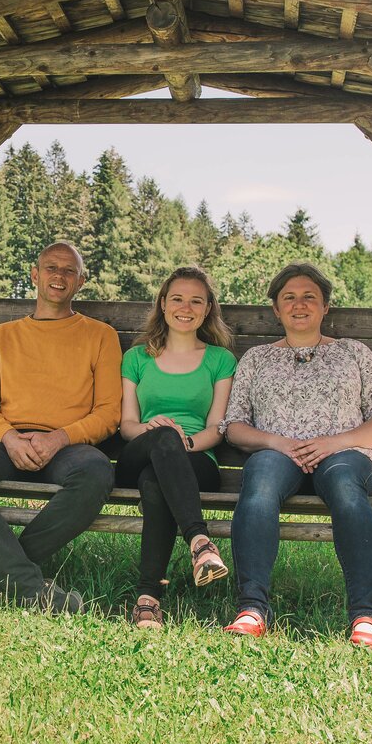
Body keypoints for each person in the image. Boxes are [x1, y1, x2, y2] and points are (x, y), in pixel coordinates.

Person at [220, 262, 372, 650]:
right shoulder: (257, 359)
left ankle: (366, 616)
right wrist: (278, 443)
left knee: (345, 485)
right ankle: (252, 609)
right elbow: (234, 426)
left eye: (309, 297)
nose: (299, 305)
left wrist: (333, 442)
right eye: (289, 298)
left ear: (325, 308)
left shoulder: (354, 353)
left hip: (343, 455)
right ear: (275, 309)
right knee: (261, 478)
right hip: (277, 454)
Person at [0, 241, 121, 613]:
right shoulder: (3, 336)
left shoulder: (100, 336)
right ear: (35, 275)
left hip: (67, 445)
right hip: (9, 440)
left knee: (97, 473)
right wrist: (8, 437)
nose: (59, 276)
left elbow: (107, 413)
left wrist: (57, 439)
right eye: (51, 268)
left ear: (81, 281)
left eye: (69, 270)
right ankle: (29, 587)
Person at [115, 267, 236, 628]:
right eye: (178, 299)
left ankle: (148, 598)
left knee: (157, 481)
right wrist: (158, 434)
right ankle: (200, 541)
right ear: (163, 304)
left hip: (197, 460)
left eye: (196, 300)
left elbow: (217, 428)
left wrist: (184, 443)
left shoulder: (220, 360)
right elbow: (126, 426)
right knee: (162, 441)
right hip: (138, 452)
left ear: (208, 308)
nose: (186, 307)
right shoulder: (137, 358)